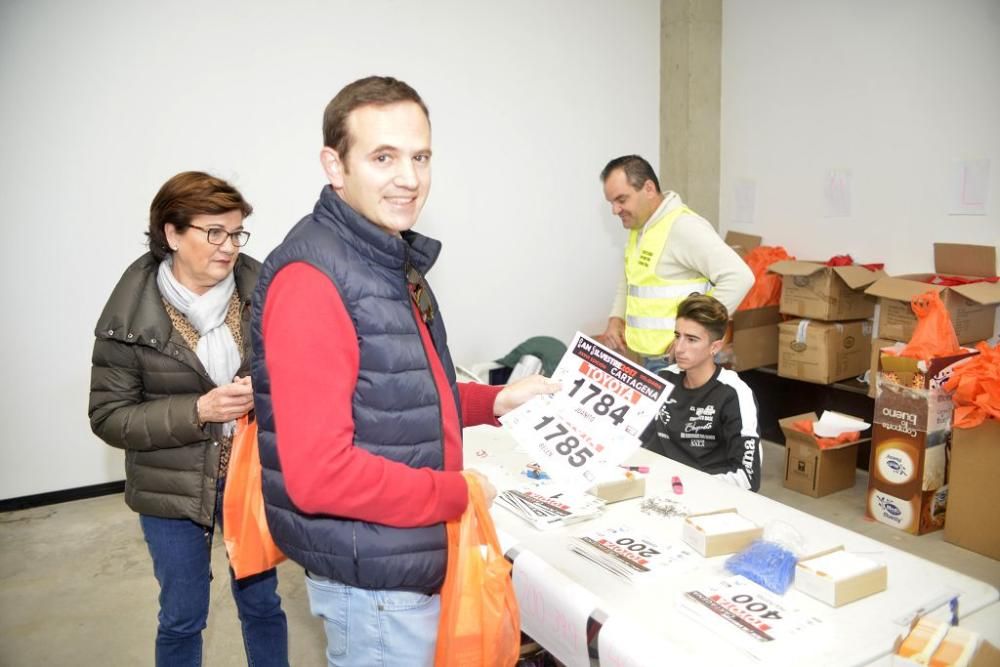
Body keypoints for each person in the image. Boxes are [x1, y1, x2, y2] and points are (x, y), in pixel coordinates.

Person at [250, 76, 558, 667]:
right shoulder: (313, 279)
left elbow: (392, 392)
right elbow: (319, 475)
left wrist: (493, 401)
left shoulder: (379, 254)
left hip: (398, 561)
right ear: (334, 165)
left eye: (420, 157)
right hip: (376, 588)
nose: (410, 178)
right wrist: (457, 493)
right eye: (383, 157)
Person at [89, 172, 288, 666]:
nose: (228, 247)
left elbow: (302, 373)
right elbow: (109, 416)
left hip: (250, 480)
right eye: (213, 232)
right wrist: (198, 411)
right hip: (171, 488)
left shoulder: (264, 295)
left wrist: (266, 393)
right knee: (182, 616)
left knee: (263, 605)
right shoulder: (129, 318)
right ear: (172, 234)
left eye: (237, 233)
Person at [597, 155, 754, 372]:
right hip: (651, 359)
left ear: (649, 189)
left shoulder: (683, 227)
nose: (615, 210)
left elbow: (739, 277)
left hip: (679, 364)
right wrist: (616, 318)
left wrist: (696, 335)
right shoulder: (640, 229)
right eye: (611, 203)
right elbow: (632, 281)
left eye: (621, 200)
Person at [641, 294, 762, 491]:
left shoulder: (734, 394)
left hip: (704, 495)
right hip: (657, 487)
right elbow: (635, 438)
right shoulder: (664, 378)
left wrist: (681, 482)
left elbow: (747, 478)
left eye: (691, 339)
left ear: (714, 347)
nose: (679, 348)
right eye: (677, 336)